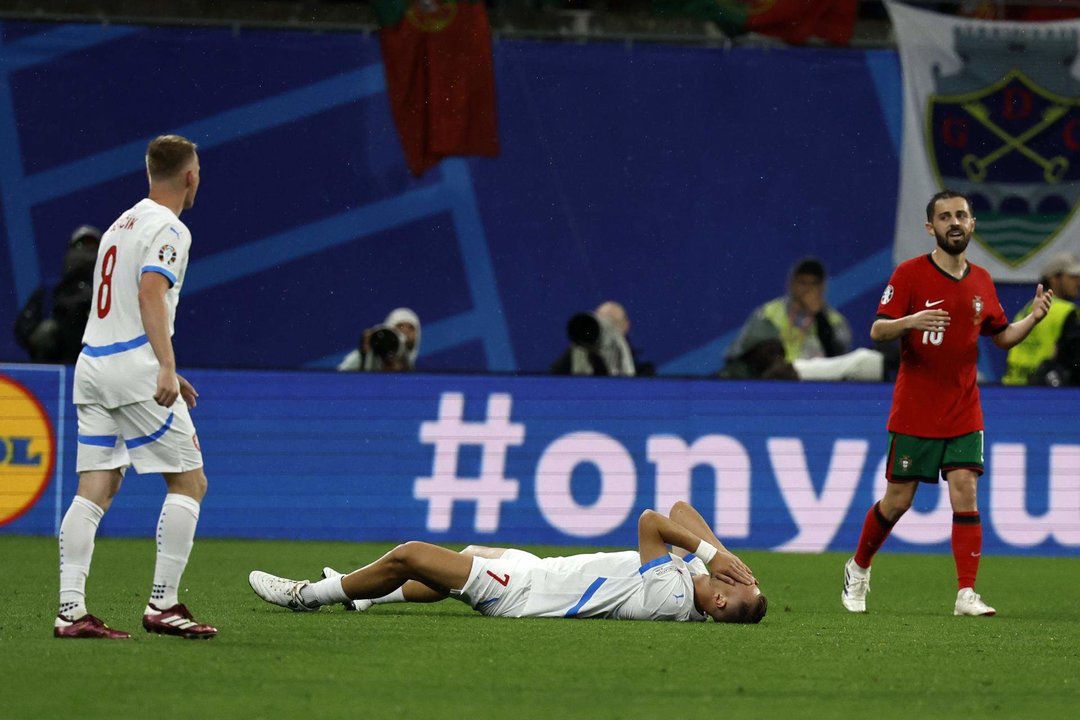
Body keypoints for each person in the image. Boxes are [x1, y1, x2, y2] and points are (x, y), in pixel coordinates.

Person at [841, 189, 1053, 617]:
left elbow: (1002, 337)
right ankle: (858, 567)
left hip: (964, 409)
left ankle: (965, 594)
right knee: (897, 501)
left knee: (965, 491)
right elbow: (878, 331)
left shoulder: (981, 281)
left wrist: (1032, 319)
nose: (954, 222)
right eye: (944, 217)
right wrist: (911, 321)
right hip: (916, 409)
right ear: (930, 227)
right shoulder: (910, 274)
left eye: (961, 215)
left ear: (973, 224)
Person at [54, 135, 217, 639]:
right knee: (190, 482)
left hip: (93, 366)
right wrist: (163, 367)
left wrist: (161, 363)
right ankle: (163, 605)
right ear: (190, 176)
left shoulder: (119, 225)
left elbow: (122, 304)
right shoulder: (170, 228)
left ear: (149, 173)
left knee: (95, 488)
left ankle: (70, 611)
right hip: (132, 371)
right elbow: (150, 294)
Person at [249, 500, 767, 624]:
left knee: (410, 555)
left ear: (720, 601)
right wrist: (725, 556)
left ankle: (307, 596)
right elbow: (683, 511)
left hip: (521, 593)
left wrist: (714, 553)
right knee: (467, 554)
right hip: (539, 569)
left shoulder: (672, 594)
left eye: (737, 583)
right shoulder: (700, 587)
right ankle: (363, 596)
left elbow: (654, 519)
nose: (729, 575)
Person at [720, 257, 883, 381]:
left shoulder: (835, 321)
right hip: (777, 380)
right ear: (791, 284)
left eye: (813, 284)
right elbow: (752, 351)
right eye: (802, 282)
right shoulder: (770, 312)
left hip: (816, 385)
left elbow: (836, 357)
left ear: (822, 287)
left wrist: (819, 317)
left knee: (864, 361)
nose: (807, 289)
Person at [13, 225, 101, 363]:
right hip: (54, 370)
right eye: (81, 246)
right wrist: (37, 335)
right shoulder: (49, 292)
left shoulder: (107, 294)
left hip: (96, 370)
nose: (86, 253)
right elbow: (22, 329)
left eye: (93, 248)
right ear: (70, 252)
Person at [1002, 252, 1080, 387]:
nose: (1078, 282)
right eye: (1072, 277)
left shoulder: (1027, 307)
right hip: (1047, 390)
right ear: (1054, 278)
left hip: (1013, 385)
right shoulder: (1066, 311)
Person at [551, 300, 652, 376]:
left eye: (613, 322)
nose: (606, 329)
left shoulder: (643, 368)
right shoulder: (570, 361)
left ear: (626, 325)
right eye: (601, 322)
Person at [337, 307, 421, 372]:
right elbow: (337, 380)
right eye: (400, 326)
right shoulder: (361, 355)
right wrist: (364, 358)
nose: (405, 332)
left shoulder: (418, 369)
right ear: (389, 328)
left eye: (411, 328)